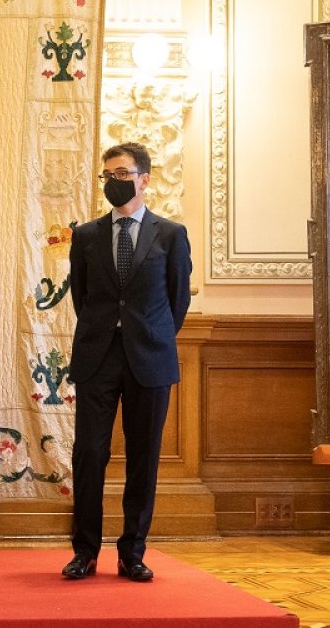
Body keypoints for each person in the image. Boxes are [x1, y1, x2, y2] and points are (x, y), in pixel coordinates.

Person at [62, 142, 192, 582]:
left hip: (150, 359)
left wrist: (148, 335)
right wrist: (108, 331)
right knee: (89, 455)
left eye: (121, 174)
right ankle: (85, 552)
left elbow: (176, 301)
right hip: (98, 358)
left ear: (144, 178)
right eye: (107, 176)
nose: (113, 183)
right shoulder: (86, 236)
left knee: (143, 458)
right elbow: (82, 298)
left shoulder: (171, 234)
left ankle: (132, 553)